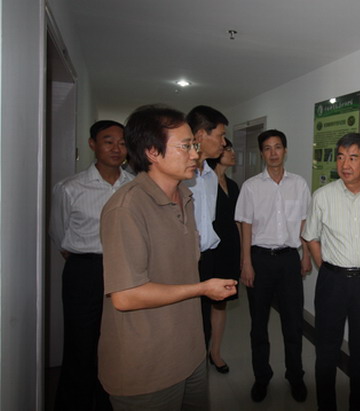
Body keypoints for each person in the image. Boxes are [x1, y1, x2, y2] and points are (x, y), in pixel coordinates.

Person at [98, 105, 237, 410]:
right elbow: (126, 296)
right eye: (186, 146)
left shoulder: (185, 197)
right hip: (148, 365)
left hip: (190, 352)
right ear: (152, 152)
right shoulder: (126, 208)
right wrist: (202, 288)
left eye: (195, 145)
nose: (195, 154)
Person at [302, 133, 360, 411]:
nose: (345, 164)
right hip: (332, 281)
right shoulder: (323, 196)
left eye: (353, 158)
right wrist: (325, 266)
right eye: (341, 157)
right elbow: (311, 236)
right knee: (326, 350)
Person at [50, 120, 133, 411]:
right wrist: (87, 261)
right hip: (84, 271)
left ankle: (109, 403)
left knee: (117, 344)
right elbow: (59, 236)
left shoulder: (133, 186)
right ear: (92, 144)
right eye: (108, 142)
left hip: (124, 271)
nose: (116, 148)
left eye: (122, 143)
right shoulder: (70, 188)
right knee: (80, 344)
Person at [234, 129, 312, 403]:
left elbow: (304, 221)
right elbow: (245, 225)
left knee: (293, 323)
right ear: (261, 153)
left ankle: (295, 375)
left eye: (278, 147)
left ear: (285, 150)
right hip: (260, 260)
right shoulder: (251, 186)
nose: (273, 152)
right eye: (267, 148)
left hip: (289, 259)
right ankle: (262, 377)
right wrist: (246, 262)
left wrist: (305, 254)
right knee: (259, 324)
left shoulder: (299, 184)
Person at [185, 105, 228, 357]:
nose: (223, 143)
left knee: (204, 323)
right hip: (184, 260)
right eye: (220, 135)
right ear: (201, 135)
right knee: (185, 325)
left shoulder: (211, 177)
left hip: (208, 257)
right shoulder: (180, 176)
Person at [205, 137, 241, 373]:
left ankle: (215, 352)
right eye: (227, 148)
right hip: (209, 251)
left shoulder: (234, 185)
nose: (232, 152)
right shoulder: (202, 181)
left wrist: (243, 254)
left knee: (220, 304)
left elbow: (238, 221)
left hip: (229, 250)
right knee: (202, 305)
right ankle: (197, 353)